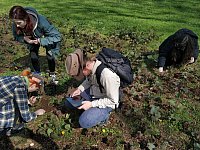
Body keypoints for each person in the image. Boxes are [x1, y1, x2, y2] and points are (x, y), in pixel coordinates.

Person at [64, 49, 120, 128]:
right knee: (68, 102)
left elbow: (113, 100)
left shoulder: (107, 76)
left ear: (86, 65)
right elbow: (89, 81)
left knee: (84, 122)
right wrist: (79, 89)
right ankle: (88, 108)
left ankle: (104, 117)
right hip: (94, 93)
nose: (82, 76)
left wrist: (91, 104)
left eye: (80, 73)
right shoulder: (91, 68)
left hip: (107, 101)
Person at [9, 6, 61, 82]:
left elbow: (57, 36)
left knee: (50, 56)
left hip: (46, 37)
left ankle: (52, 74)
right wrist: (24, 39)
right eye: (15, 23)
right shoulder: (17, 24)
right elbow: (16, 36)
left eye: (19, 23)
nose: (17, 25)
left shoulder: (42, 22)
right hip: (31, 37)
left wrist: (41, 41)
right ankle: (37, 73)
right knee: (33, 56)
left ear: (25, 19)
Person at [0, 69, 46, 136]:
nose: (33, 92)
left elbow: (8, 97)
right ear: (33, 85)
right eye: (36, 89)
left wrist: (27, 102)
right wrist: (36, 113)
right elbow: (26, 117)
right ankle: (7, 130)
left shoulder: (16, 78)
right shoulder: (20, 86)